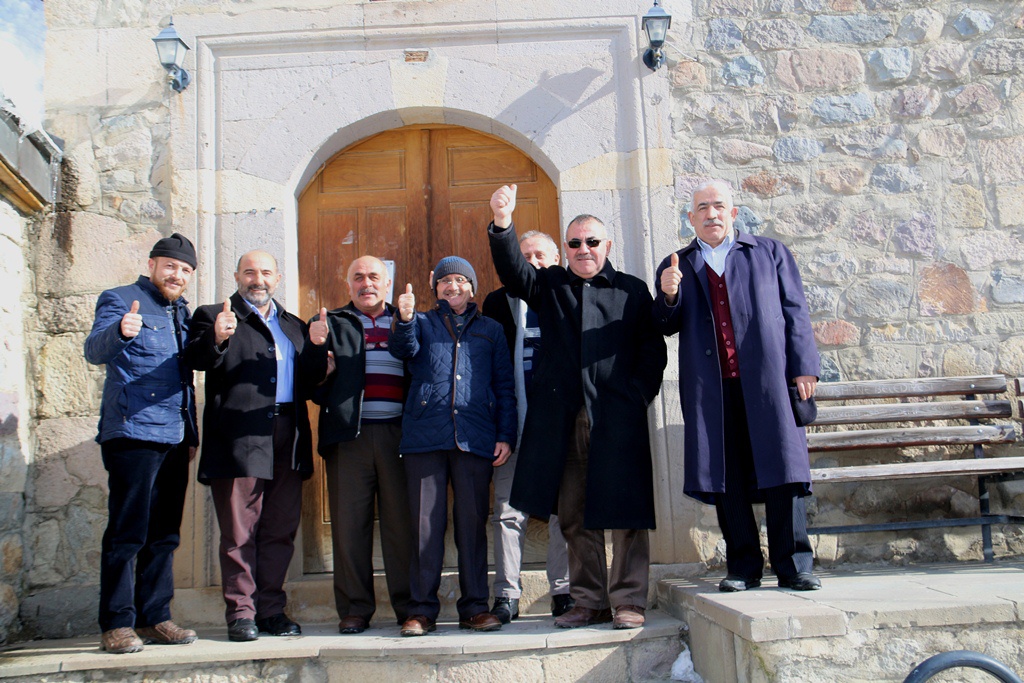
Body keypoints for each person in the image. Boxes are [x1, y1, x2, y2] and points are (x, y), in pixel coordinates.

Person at [487, 185, 667, 630]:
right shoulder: (549, 286)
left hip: (616, 418)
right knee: (573, 516)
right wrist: (503, 222)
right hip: (562, 419)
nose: (583, 249)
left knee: (626, 515)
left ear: (607, 246)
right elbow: (514, 272)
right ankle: (588, 601)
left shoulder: (632, 290)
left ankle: (628, 600)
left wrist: (636, 395)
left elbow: (652, 350)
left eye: (591, 242)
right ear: (565, 250)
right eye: (574, 243)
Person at [652, 179, 822, 593]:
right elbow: (665, 324)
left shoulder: (768, 252)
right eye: (702, 208)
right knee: (726, 474)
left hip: (769, 381)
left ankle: (794, 565)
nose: (711, 213)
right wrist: (668, 295)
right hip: (712, 387)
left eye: (718, 206)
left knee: (782, 469)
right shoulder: (677, 263)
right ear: (690, 218)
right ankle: (743, 566)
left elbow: (795, 310)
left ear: (733, 212)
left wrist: (804, 368)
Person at [184, 250, 324, 642]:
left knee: (280, 530)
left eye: (265, 272)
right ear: (236, 276)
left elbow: (312, 385)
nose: (257, 279)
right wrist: (217, 338)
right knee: (239, 533)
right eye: (249, 272)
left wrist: (316, 349)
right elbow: (195, 359)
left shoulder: (294, 325)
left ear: (277, 278)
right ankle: (241, 614)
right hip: (239, 438)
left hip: (288, 436)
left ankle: (271, 612)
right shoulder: (214, 315)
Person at [84, 233, 200, 654]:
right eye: (170, 265)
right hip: (133, 433)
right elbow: (94, 350)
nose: (178, 275)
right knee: (127, 532)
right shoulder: (120, 299)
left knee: (165, 533)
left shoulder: (182, 314)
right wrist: (120, 330)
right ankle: (116, 623)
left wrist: (192, 435)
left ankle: (155, 617)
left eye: (186, 270)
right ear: (152, 264)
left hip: (175, 435)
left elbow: (186, 380)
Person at [389, 256, 517, 636]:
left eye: (461, 280)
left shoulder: (491, 330)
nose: (453, 286)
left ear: (472, 287)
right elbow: (403, 350)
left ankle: (474, 607)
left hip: (475, 437)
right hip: (425, 437)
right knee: (425, 526)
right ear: (436, 288)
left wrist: (505, 435)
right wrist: (407, 319)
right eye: (446, 281)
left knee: (471, 525)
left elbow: (505, 386)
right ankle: (422, 610)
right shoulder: (424, 323)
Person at [307, 255, 412, 634]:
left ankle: (409, 607)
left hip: (400, 437)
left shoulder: (406, 321)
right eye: (358, 277)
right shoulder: (329, 323)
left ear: (387, 284)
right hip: (349, 439)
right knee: (350, 527)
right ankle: (355, 609)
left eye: (373, 277)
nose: (366, 283)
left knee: (403, 526)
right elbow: (311, 387)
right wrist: (318, 355)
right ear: (348, 284)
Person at [481, 231, 573, 623]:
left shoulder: (569, 295)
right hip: (513, 426)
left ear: (556, 260)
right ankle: (506, 595)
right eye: (526, 255)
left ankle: (565, 591)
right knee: (507, 512)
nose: (534, 261)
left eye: (541, 255)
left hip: (558, 425)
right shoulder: (496, 303)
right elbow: (488, 368)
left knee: (564, 512)